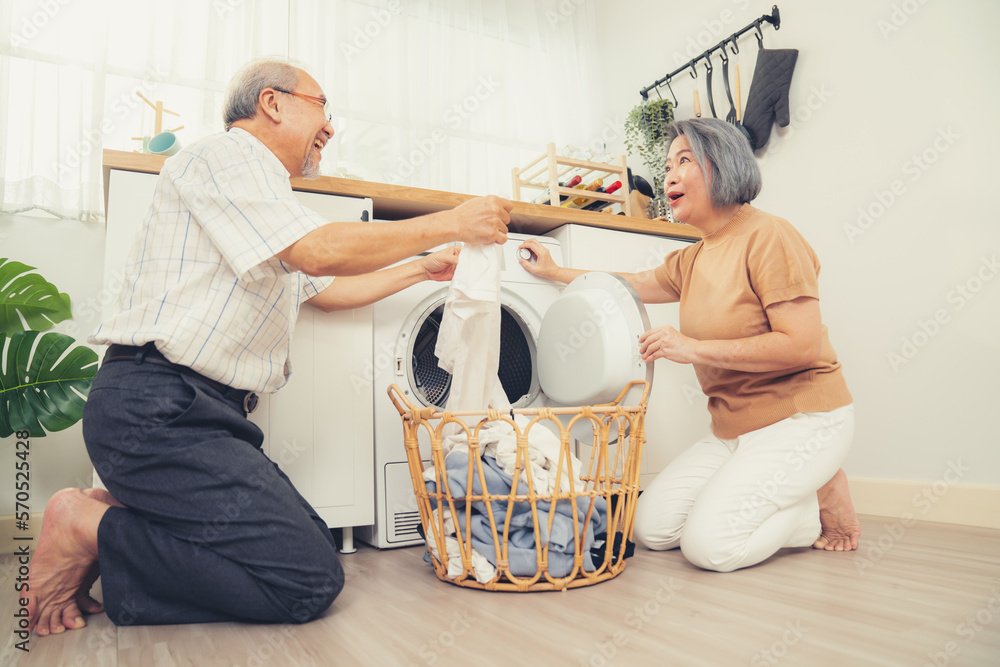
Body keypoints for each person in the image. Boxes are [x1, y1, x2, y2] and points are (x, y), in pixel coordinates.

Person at [27, 58, 512, 636]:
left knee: (306, 544)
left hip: (200, 415)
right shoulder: (227, 157)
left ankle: (111, 520)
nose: (330, 127)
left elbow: (327, 289)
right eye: (322, 106)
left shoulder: (263, 200)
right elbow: (319, 253)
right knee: (306, 580)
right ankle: (84, 524)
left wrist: (422, 269)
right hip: (160, 409)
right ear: (273, 103)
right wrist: (451, 223)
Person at [517, 117, 859, 573]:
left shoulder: (770, 236)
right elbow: (631, 284)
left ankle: (814, 507)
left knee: (710, 548)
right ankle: (799, 487)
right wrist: (555, 272)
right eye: (666, 165)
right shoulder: (695, 256)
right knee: (652, 529)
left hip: (803, 418)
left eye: (684, 160)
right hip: (734, 430)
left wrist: (693, 348)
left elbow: (799, 346)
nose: (669, 175)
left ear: (723, 166)